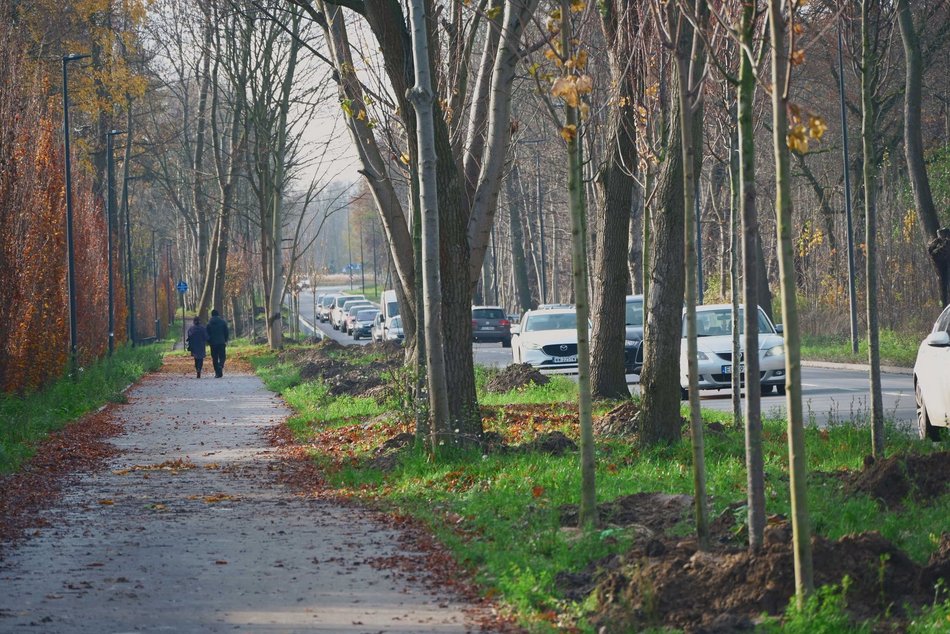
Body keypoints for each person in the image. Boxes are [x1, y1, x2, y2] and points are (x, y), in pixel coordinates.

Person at [206, 309, 230, 378]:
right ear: (218, 314)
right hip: (221, 342)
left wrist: (208, 341)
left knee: (214, 358)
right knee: (222, 356)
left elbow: (207, 333)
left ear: (212, 315)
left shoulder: (209, 323)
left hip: (213, 343)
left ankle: (217, 373)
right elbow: (226, 332)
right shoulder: (223, 322)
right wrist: (225, 339)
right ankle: (221, 365)